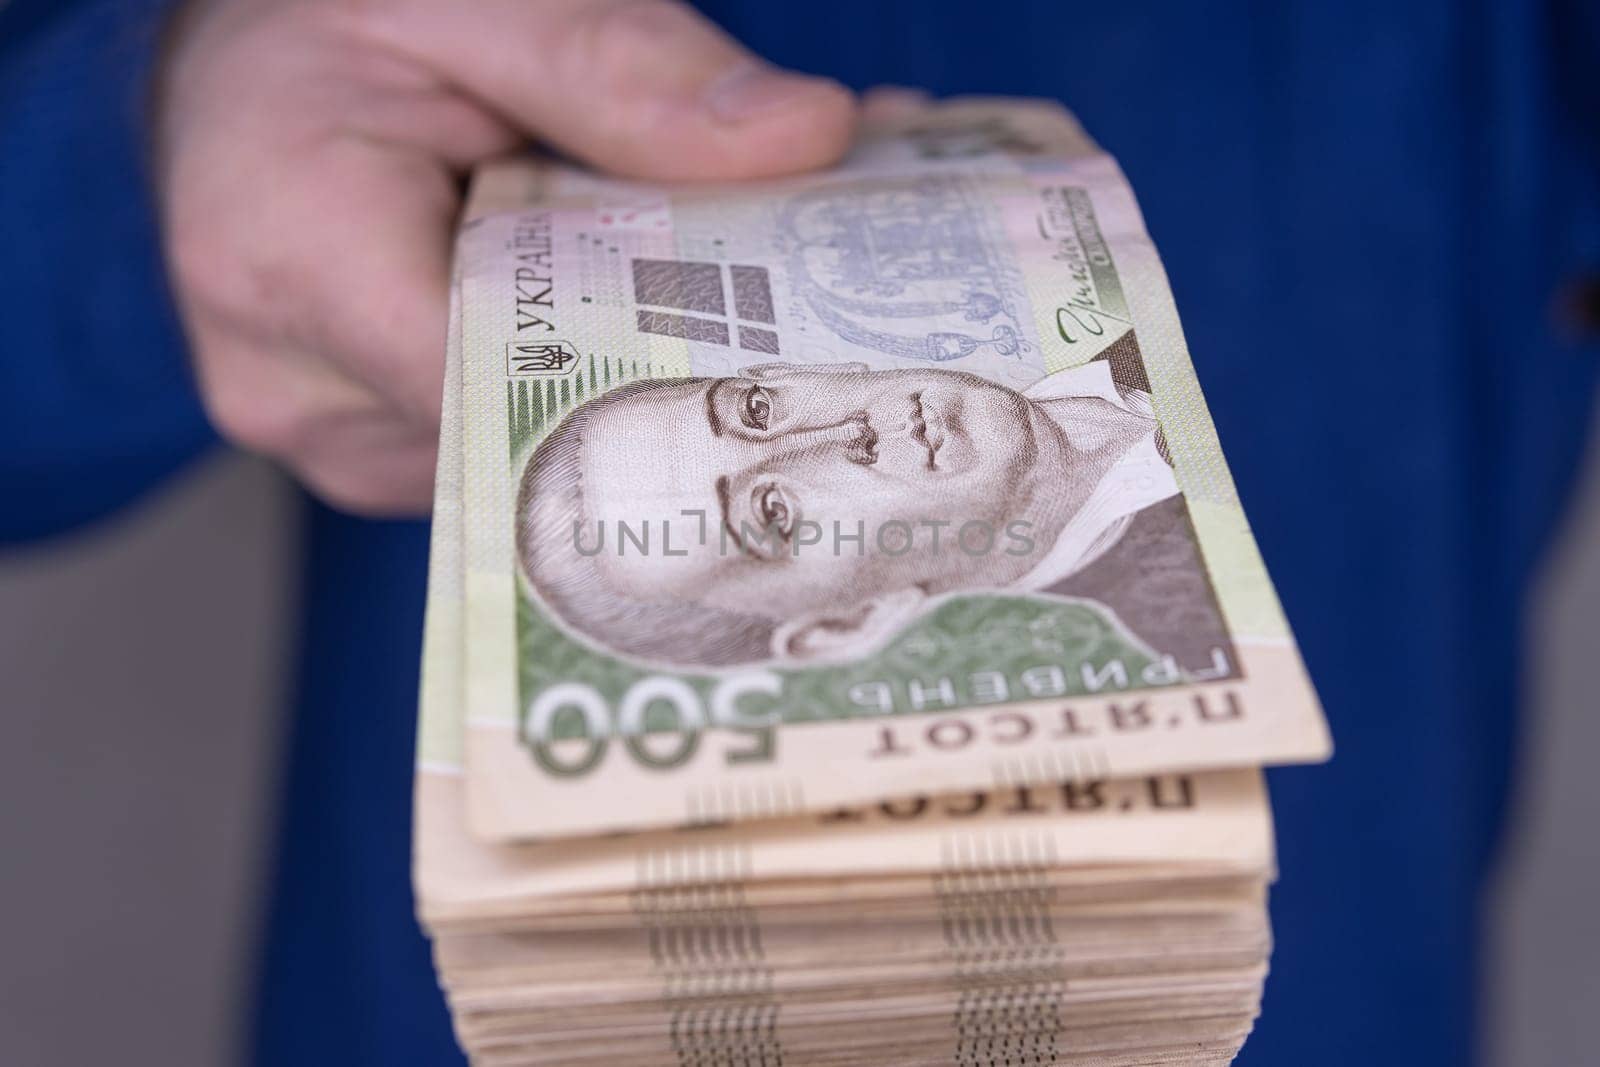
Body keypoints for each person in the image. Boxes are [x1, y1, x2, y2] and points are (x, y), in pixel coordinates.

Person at [3, 1, 1597, 1065]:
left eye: (760, 412)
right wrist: (137, 147)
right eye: (772, 505)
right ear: (832, 632)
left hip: (1337, 891)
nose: (844, 419)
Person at [519, 337, 1228, 670]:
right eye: (773, 514)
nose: (846, 434)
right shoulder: (1207, 633)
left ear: (794, 370)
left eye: (756, 409)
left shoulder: (1169, 309)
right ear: (845, 623)